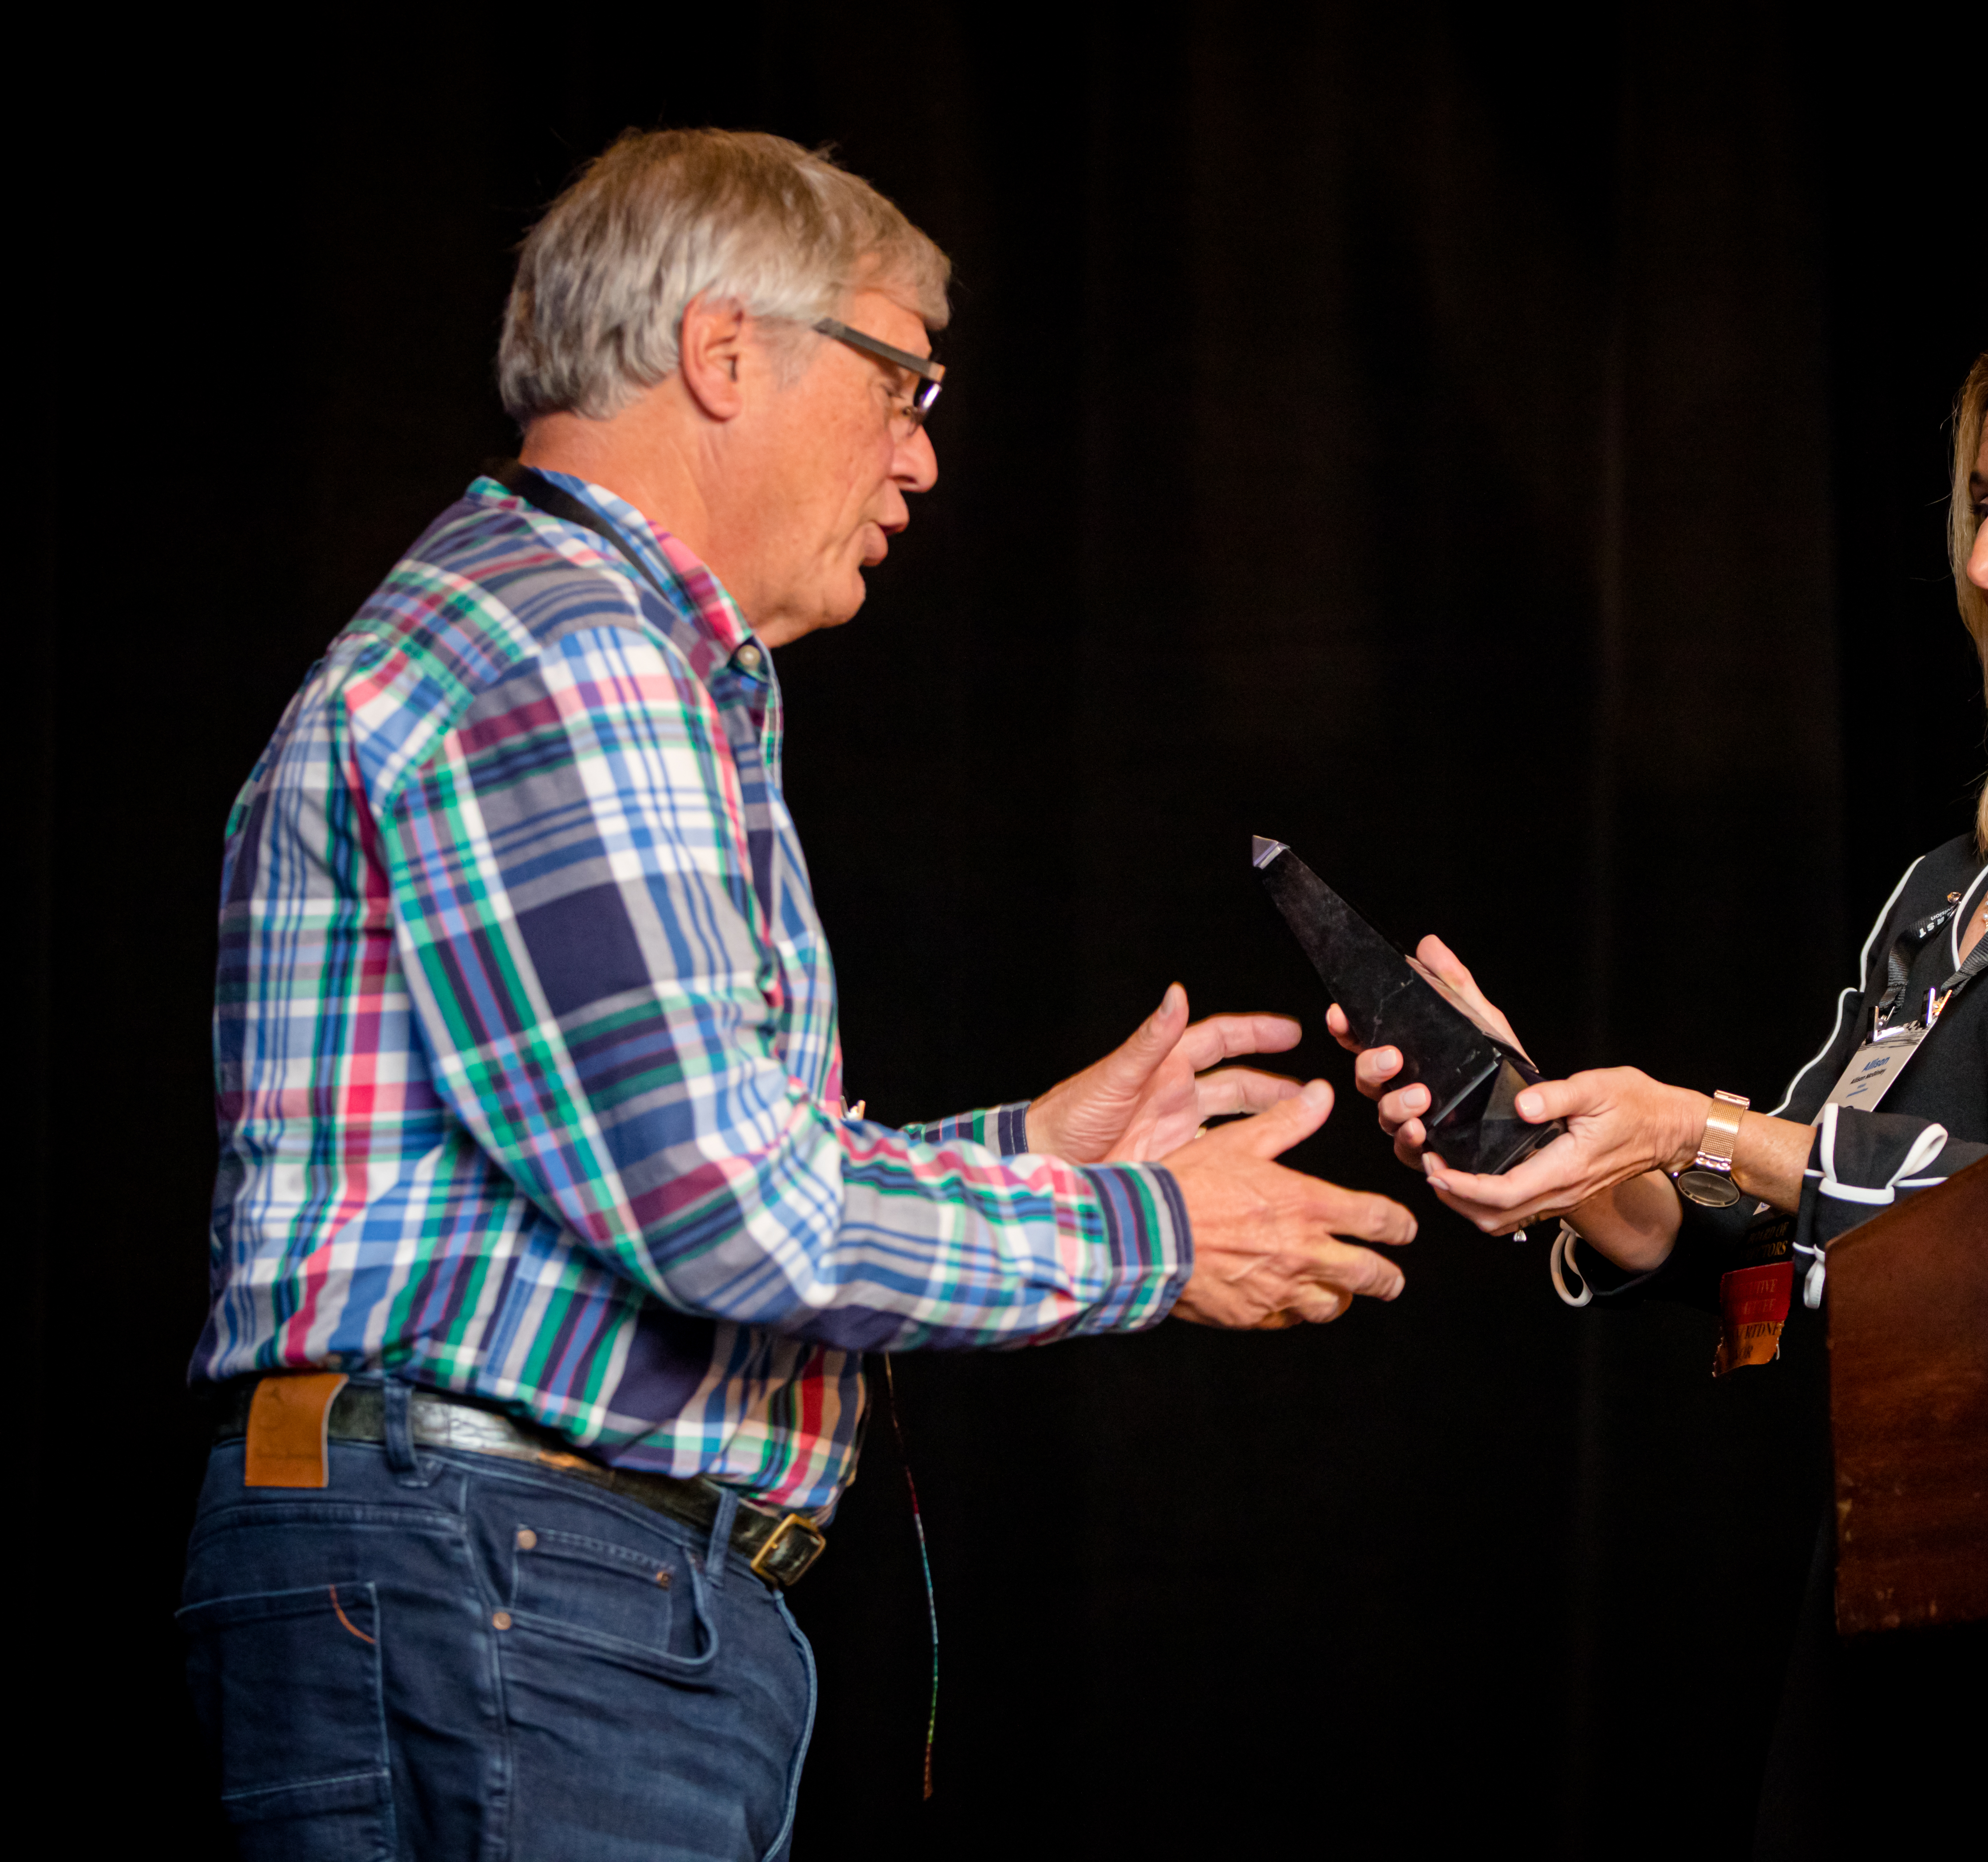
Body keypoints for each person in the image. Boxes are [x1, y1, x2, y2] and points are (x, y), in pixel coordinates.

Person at [182, 128, 1416, 1862]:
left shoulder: (565, 636)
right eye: (902, 380)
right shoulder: (566, 648)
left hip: (523, 1587)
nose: (922, 455)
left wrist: (1038, 1153)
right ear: (723, 350)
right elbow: (719, 1213)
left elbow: (654, 1171)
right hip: (517, 1588)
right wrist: (1146, 1229)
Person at [1342, 305, 1988, 1852]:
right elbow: (1781, 1250)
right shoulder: (1949, 885)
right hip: (1897, 1600)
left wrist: (1702, 1124)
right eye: (1983, 502)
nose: (1986, 559)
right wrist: (1587, 1156)